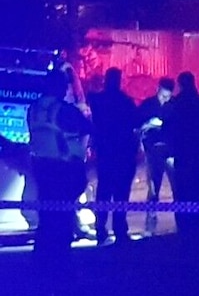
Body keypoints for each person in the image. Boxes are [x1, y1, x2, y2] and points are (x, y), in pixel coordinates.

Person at [27, 69, 92, 255]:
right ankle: (60, 259)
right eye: (64, 86)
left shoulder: (33, 108)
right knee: (62, 217)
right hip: (64, 168)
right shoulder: (64, 109)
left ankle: (42, 255)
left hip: (41, 167)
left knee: (47, 214)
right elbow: (87, 127)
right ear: (59, 87)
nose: (66, 90)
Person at [88, 67, 139, 245]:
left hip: (105, 153)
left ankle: (100, 229)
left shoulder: (97, 101)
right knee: (121, 193)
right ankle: (119, 230)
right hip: (123, 153)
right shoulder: (126, 102)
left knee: (103, 192)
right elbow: (136, 123)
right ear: (119, 80)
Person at [162, 72, 199, 234]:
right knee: (198, 186)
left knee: (182, 189)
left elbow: (167, 129)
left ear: (180, 85)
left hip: (182, 154)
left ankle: (183, 224)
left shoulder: (174, 105)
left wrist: (170, 148)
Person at [137, 77, 175, 236]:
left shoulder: (173, 106)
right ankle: (151, 219)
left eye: (168, 97)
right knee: (153, 186)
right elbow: (137, 127)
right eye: (163, 96)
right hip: (153, 152)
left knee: (177, 184)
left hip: (170, 151)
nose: (165, 100)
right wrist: (148, 125)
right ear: (157, 90)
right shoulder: (147, 105)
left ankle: (181, 217)